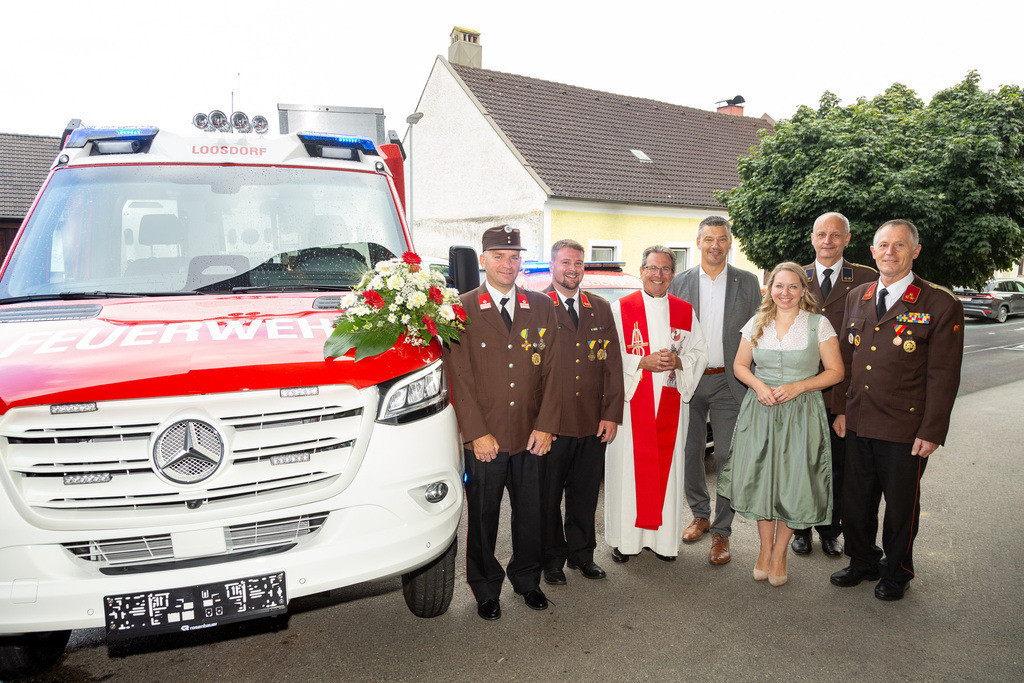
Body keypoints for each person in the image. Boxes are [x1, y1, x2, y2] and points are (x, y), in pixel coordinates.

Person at [830, 219, 964, 601]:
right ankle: (862, 561)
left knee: (901, 507)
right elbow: (846, 360)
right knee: (856, 500)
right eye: (883, 245)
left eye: (900, 245)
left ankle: (897, 571)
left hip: (905, 427)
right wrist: (841, 410)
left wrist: (932, 431)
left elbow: (943, 375)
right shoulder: (858, 296)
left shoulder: (940, 303)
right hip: (858, 419)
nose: (890, 252)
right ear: (872, 252)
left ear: (915, 251)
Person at [444, 225, 561, 620]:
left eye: (514, 256)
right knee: (483, 517)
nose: (508, 264)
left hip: (531, 434)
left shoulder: (541, 305)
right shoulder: (460, 309)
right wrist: (476, 433)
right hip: (487, 437)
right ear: (483, 260)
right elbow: (458, 377)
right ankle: (485, 587)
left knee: (532, 514)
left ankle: (527, 580)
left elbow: (553, 371)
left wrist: (546, 425)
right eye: (498, 256)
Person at [717, 263, 844, 586]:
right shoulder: (756, 322)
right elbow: (740, 365)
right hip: (761, 410)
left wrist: (799, 386)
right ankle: (764, 550)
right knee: (763, 481)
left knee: (793, 482)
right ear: (770, 289)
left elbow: (836, 372)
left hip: (801, 413)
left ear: (803, 291)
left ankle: (780, 552)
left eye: (792, 287)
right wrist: (759, 386)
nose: (785, 293)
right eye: (779, 286)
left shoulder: (818, 324)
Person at [605, 246, 708, 561]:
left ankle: (663, 543)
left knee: (667, 469)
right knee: (628, 472)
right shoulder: (620, 309)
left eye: (665, 269)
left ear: (673, 274)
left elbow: (700, 353)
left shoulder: (684, 311)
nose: (658, 275)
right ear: (641, 270)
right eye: (652, 268)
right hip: (631, 403)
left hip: (670, 403)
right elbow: (606, 355)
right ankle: (624, 541)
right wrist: (640, 362)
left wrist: (679, 361)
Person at [668, 216, 761, 564]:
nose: (715, 246)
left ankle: (722, 530)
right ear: (698, 243)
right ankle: (700, 514)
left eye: (722, 239)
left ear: (730, 243)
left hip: (729, 380)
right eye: (709, 239)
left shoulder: (747, 282)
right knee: (690, 452)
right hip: (688, 379)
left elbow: (759, 330)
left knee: (725, 456)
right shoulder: (680, 282)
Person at [791, 212, 877, 557]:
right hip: (800, 391)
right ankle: (800, 528)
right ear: (812, 238)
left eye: (836, 235)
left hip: (844, 393)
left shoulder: (867, 278)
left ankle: (830, 530)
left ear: (847, 239)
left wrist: (844, 404)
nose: (828, 241)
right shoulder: (795, 277)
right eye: (821, 234)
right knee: (801, 465)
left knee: (837, 468)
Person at [541, 239, 624, 585]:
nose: (572, 269)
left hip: (592, 420)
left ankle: (582, 554)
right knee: (548, 496)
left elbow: (613, 364)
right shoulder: (536, 305)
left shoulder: (600, 307)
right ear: (552, 266)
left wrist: (611, 413)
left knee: (585, 493)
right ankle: (552, 559)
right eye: (565, 262)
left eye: (578, 263)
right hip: (552, 422)